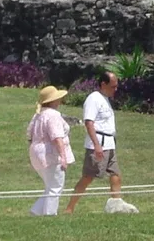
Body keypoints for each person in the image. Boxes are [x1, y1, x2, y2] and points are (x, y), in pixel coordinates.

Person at [64, 72, 121, 213]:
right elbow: (89, 123)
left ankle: (116, 206)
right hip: (99, 144)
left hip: (109, 144)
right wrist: (96, 145)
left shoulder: (105, 99)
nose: (115, 90)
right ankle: (69, 208)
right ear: (103, 84)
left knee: (116, 175)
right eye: (113, 86)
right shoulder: (94, 99)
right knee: (88, 177)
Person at [26, 86, 73, 216]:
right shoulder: (53, 115)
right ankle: (50, 215)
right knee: (56, 187)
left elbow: (29, 136)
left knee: (50, 186)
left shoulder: (38, 115)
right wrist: (63, 157)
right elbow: (57, 137)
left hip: (37, 153)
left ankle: (36, 212)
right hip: (50, 154)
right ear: (52, 101)